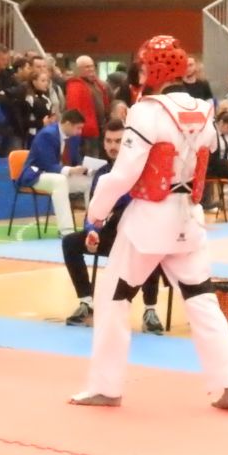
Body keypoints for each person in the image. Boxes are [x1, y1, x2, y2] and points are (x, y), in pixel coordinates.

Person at [70, 35, 228, 410]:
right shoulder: (204, 110)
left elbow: (123, 174)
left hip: (149, 221)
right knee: (201, 298)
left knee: (113, 299)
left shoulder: (146, 112)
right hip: (189, 219)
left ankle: (106, 387)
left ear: (151, 70)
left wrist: (96, 213)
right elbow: (207, 153)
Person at [62, 120, 164, 334]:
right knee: (70, 242)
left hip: (136, 238)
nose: (112, 146)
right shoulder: (102, 174)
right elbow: (93, 211)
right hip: (109, 237)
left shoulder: (143, 171)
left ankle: (150, 310)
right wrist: (91, 231)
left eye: (118, 141)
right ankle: (86, 302)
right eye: (108, 141)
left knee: (150, 243)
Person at [19, 109, 92, 237]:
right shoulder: (47, 135)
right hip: (37, 174)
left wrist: (85, 170)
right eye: (78, 128)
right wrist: (71, 170)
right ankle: (66, 231)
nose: (80, 132)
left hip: (58, 175)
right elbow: (47, 165)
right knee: (60, 181)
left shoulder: (74, 138)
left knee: (89, 181)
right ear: (67, 124)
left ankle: (91, 225)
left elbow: (75, 161)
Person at [65, 55, 110, 158]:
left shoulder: (97, 83)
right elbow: (74, 111)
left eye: (92, 66)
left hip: (100, 129)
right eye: (87, 67)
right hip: (86, 132)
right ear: (79, 69)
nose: (91, 69)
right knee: (90, 159)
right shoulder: (75, 86)